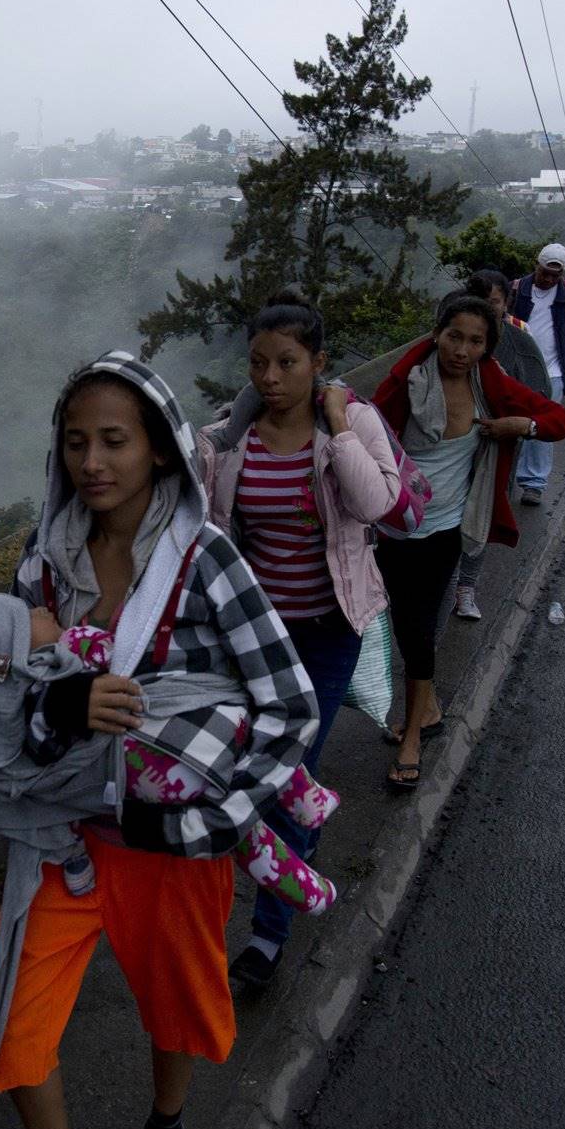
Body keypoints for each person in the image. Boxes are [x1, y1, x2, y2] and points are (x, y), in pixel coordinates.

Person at [0, 352, 318, 1129]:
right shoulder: (46, 564)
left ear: (160, 449)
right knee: (11, 1023)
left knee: (174, 1003)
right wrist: (63, 700)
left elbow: (288, 699)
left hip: (172, 841)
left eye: (115, 441)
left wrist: (230, 814)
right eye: (77, 441)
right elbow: (14, 697)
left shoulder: (206, 561)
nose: (93, 462)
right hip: (65, 839)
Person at [198, 287, 402, 985]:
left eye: (287, 362)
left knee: (284, 771)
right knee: (271, 776)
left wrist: (340, 424)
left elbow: (379, 502)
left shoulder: (354, 425)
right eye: (258, 363)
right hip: (254, 639)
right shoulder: (231, 438)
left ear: (318, 362)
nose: (270, 378)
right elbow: (205, 529)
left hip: (326, 632)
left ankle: (267, 934)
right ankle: (296, 858)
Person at [369, 297, 565, 786]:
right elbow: (366, 433)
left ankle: (414, 735)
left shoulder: (491, 385)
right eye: (454, 336)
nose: (462, 350)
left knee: (418, 629)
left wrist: (519, 425)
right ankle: (431, 707)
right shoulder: (406, 384)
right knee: (406, 624)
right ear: (437, 333)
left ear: (488, 347)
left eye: (475, 341)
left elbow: (560, 422)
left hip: (447, 529)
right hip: (394, 528)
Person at [449, 269, 548, 622]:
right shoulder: (453, 336)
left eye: (493, 303)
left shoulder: (519, 335)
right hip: (451, 446)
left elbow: (540, 393)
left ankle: (466, 589)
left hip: (495, 445)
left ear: (506, 302)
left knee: (481, 515)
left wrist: (516, 421)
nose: (486, 311)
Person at [507, 244, 565, 511]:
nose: (549, 280)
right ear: (536, 265)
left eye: (555, 276)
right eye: (545, 273)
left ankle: (534, 483)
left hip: (553, 371)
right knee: (513, 425)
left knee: (542, 428)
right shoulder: (518, 289)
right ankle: (507, 480)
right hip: (519, 370)